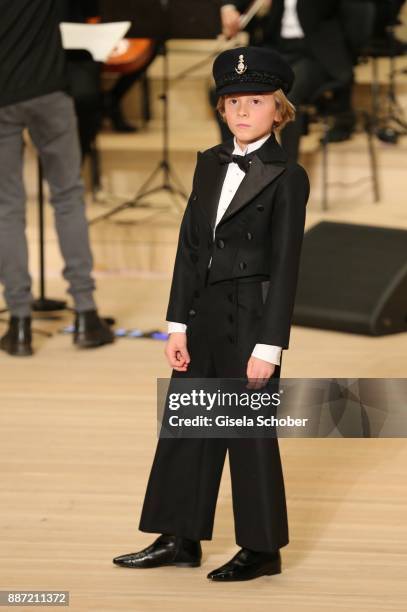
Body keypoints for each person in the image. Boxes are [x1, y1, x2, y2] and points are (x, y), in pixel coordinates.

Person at [113, 46, 310, 581]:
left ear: (278, 108)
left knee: (249, 435)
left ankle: (262, 548)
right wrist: (177, 321)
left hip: (251, 320)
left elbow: (287, 268)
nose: (242, 111)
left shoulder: (288, 177)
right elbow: (189, 248)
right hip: (202, 314)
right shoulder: (207, 164)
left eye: (255, 100)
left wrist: (269, 347)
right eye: (232, 101)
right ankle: (179, 537)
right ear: (220, 109)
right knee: (187, 426)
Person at [0, 0, 114, 356]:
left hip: (2, 94)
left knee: (7, 208)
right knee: (67, 198)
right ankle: (85, 313)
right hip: (50, 90)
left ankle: (19, 323)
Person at [215, 0, 355, 159]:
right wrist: (229, 8)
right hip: (275, 47)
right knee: (227, 88)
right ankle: (236, 160)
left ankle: (287, 172)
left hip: (315, 52)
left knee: (288, 95)